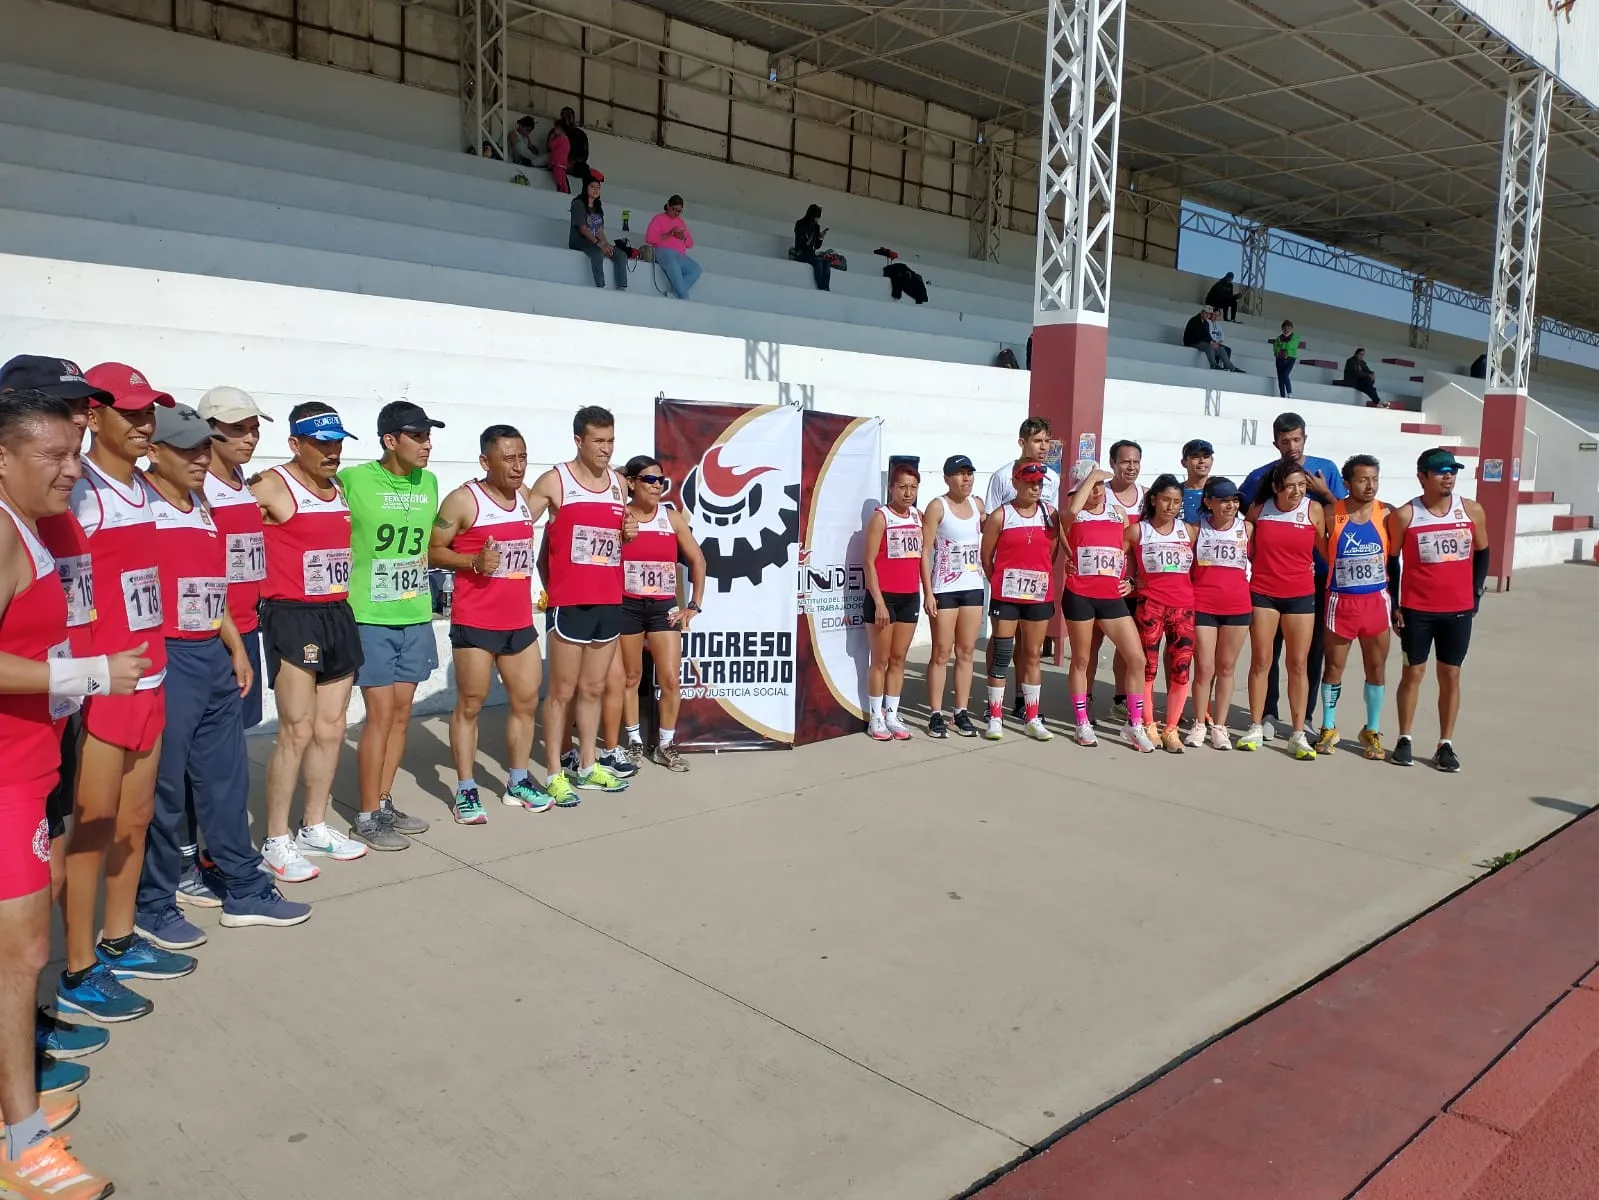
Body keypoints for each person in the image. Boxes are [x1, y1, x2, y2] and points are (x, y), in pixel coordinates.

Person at [0, 389, 132, 1200]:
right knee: (25, 957)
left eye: (76, 454)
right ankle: (21, 1142)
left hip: (28, 763)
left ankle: (11, 1098)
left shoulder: (34, 526)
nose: (71, 471)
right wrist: (79, 674)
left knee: (19, 952)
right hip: (3, 777)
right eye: (54, 456)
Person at [137, 403, 310, 949]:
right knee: (165, 790)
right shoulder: (138, 503)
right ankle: (154, 904)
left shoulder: (203, 502)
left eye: (202, 447)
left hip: (214, 648)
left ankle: (243, 888)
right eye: (186, 448)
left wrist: (235, 645)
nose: (199, 457)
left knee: (227, 780)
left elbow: (212, 584)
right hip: (165, 656)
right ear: (154, 451)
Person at [58, 362, 191, 1025]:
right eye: (132, 412)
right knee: (92, 827)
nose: (145, 424)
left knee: (134, 822)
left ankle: (119, 939)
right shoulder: (76, 489)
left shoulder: (144, 484)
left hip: (152, 674)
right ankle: (78, 969)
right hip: (100, 684)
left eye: (150, 413)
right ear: (93, 414)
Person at [251, 403, 368, 883]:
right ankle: (275, 838)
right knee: (295, 730)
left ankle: (313, 825)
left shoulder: (336, 487)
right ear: (295, 443)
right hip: (292, 616)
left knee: (331, 727)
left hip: (336, 611)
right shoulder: (272, 485)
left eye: (337, 442)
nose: (332, 451)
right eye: (321, 443)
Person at [430, 425, 550, 822]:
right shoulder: (464, 500)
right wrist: (472, 562)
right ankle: (465, 790)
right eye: (509, 458)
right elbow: (432, 551)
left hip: (518, 621)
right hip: (477, 621)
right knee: (470, 705)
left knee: (525, 701)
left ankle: (517, 781)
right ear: (486, 461)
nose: (518, 467)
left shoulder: (524, 498)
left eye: (522, 457)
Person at [339, 401, 442, 852]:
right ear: (390, 440)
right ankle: (365, 815)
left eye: (428, 436)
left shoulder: (431, 482)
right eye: (418, 436)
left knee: (402, 715)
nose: (427, 445)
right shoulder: (353, 480)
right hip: (369, 615)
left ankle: (383, 802)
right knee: (379, 716)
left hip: (415, 612)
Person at [182, 384, 271, 906]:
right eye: (238, 428)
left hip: (246, 628)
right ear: (208, 430)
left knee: (228, 756)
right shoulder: (197, 488)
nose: (250, 436)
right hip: (211, 634)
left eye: (255, 426)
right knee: (198, 759)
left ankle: (214, 852)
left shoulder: (241, 482)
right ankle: (187, 858)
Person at [528, 405, 635, 805]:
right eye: (599, 441)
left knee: (592, 688)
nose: (606, 449)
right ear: (579, 440)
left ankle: (588, 765)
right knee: (562, 691)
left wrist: (627, 533)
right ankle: (555, 772)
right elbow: (520, 524)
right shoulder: (555, 481)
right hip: (570, 602)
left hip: (609, 599)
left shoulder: (619, 485)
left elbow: (616, 540)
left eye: (611, 441)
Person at [1238, 412, 1347, 736]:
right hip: (1270, 578)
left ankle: (1306, 718)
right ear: (1276, 443)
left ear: (1305, 439)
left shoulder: (1325, 469)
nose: (1291, 446)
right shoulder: (1261, 476)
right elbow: (1247, 515)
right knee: (1266, 652)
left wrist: (1325, 493)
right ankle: (1268, 713)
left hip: (1313, 577)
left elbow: (1342, 516)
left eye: (1297, 439)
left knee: (1308, 655)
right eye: (1285, 441)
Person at [1386, 449, 1489, 772]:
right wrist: (1396, 604)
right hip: (1417, 610)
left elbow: (1483, 552)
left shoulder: (1471, 510)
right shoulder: (1406, 515)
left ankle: (1445, 743)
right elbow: (1392, 562)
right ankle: (1404, 738)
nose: (1448, 476)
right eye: (1440, 471)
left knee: (1451, 674)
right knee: (1413, 673)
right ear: (1422, 477)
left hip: (1457, 610)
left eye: (1452, 471)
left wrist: (1476, 593)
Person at [618, 456, 705, 769]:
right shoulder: (619, 515)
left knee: (670, 679)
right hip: (626, 606)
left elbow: (698, 560)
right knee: (631, 677)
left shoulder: (670, 517)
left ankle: (665, 745)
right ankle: (634, 741)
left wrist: (694, 604)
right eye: (648, 480)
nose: (656, 486)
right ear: (631, 482)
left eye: (661, 481)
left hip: (662, 608)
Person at [1060, 461, 1152, 751]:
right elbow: (1072, 512)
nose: (1097, 491)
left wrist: (1131, 580)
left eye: (1100, 485)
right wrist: (1096, 475)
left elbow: (1127, 547)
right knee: (1082, 659)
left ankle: (1134, 725)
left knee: (1136, 659)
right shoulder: (1072, 515)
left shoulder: (1118, 512)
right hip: (1080, 595)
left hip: (1111, 597)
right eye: (1090, 486)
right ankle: (1082, 722)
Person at [1237, 460, 1326, 760]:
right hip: (1263, 593)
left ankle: (1298, 733)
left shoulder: (1314, 510)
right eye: (1291, 486)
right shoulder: (1260, 510)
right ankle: (1255, 725)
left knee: (1298, 665)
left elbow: (1328, 549)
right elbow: (1244, 546)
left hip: (1301, 596)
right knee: (1262, 661)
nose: (1298, 492)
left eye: (1302, 485)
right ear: (1276, 487)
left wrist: (1333, 499)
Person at [984, 417, 1060, 721]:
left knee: (1031, 649)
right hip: (1007, 575)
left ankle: (1024, 703)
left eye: (1047, 442)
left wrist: (1040, 568)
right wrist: (1000, 577)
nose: (1043, 447)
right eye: (1037, 441)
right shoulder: (1002, 476)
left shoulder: (1051, 479)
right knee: (1002, 643)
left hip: (1036, 578)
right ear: (1022, 443)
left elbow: (1050, 538)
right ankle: (993, 708)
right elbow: (989, 530)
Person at [1315, 455, 1391, 760]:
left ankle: (1371, 730)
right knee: (1333, 668)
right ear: (1347, 483)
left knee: (1376, 668)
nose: (1370, 485)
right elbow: (1323, 552)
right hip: (1341, 602)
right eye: (1362, 479)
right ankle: (1328, 727)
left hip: (1376, 602)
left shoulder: (1386, 514)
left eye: (1374, 479)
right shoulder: (1332, 514)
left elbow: (1394, 560)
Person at [1124, 475, 1195, 753]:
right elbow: (1120, 562)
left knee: (1180, 669)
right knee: (1148, 668)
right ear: (1153, 499)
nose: (1171, 506)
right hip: (1150, 606)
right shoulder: (1136, 531)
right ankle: (1149, 723)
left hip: (1183, 608)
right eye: (1166, 499)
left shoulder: (1188, 532)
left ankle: (1171, 728)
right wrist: (1130, 582)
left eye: (1176, 502)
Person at [921, 454, 985, 739]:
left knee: (967, 652)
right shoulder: (937, 506)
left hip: (972, 586)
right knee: (941, 652)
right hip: (945, 588)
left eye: (969, 473)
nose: (966, 478)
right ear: (947, 478)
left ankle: (961, 711)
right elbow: (924, 552)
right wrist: (928, 592)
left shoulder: (977, 505)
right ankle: (936, 713)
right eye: (960, 474)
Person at [1185, 477, 1251, 750]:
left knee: (1226, 667)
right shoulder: (1196, 530)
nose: (1230, 505)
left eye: (1234, 500)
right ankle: (1199, 723)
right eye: (1223, 500)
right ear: (1208, 502)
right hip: (1203, 605)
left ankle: (1220, 727)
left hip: (1237, 606)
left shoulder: (1246, 528)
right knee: (1204, 668)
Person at [863, 462, 923, 740]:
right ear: (891, 488)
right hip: (883, 597)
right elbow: (868, 562)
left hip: (910, 596)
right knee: (881, 660)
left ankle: (892, 713)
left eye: (913, 487)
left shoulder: (918, 517)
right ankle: (875, 717)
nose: (908, 493)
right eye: (902, 487)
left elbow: (922, 557)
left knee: (899, 659)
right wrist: (878, 602)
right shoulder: (881, 517)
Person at [570, 179, 628, 290]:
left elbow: (599, 230)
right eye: (592, 186)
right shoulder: (578, 204)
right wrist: (599, 245)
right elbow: (583, 229)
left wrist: (605, 244)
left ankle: (621, 287)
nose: (596, 190)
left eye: (598, 187)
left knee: (621, 255)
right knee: (597, 253)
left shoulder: (598, 207)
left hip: (595, 240)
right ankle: (600, 286)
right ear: (585, 188)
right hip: (579, 240)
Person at [646, 196, 703, 300]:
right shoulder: (659, 218)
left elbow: (690, 244)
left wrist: (683, 238)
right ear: (668, 205)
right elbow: (649, 238)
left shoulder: (681, 222)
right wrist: (669, 234)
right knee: (674, 266)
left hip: (680, 254)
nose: (676, 213)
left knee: (696, 270)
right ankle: (684, 297)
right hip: (663, 252)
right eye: (674, 209)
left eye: (679, 211)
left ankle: (674, 294)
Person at [1183, 307, 1242, 372]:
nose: (1208, 315)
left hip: (1201, 342)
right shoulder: (1194, 320)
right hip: (1192, 342)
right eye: (1206, 313)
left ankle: (1230, 367)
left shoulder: (1206, 323)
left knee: (1220, 348)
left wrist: (1213, 342)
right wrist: (1210, 342)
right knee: (1209, 346)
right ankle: (1213, 364)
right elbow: (1197, 335)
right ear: (1202, 312)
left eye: (1209, 314)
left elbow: (1207, 336)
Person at [793, 203, 831, 291]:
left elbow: (817, 246)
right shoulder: (800, 224)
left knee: (826, 263)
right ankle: (821, 286)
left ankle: (826, 287)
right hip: (802, 253)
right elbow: (799, 243)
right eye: (817, 217)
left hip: (811, 254)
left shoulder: (816, 227)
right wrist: (807, 241)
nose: (817, 219)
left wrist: (821, 237)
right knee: (817, 262)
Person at [1179, 439, 1213, 525]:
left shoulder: (1220, 491)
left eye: (1206, 456)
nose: (1202, 461)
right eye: (1195, 456)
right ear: (1184, 463)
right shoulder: (1175, 492)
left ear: (1212, 460)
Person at [558, 106, 592, 190]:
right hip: (560, 162)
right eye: (564, 116)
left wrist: (574, 161)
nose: (566, 118)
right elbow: (550, 147)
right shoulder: (556, 131)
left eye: (569, 116)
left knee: (586, 171)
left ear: (573, 118)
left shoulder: (580, 134)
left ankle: (587, 196)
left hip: (576, 164)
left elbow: (585, 154)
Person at [1269, 321, 1302, 400]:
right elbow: (1275, 347)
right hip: (1280, 359)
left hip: (1290, 358)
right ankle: (1282, 395)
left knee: (1285, 374)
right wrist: (1277, 352)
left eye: (1288, 327)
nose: (1286, 329)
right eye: (1284, 327)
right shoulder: (1279, 338)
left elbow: (1292, 345)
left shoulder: (1295, 337)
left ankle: (1289, 393)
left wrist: (1283, 348)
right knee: (1280, 378)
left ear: (1291, 328)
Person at [546, 116, 572, 193]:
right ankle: (565, 191)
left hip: (557, 162)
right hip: (563, 163)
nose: (554, 130)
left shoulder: (560, 139)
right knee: (563, 179)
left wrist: (551, 138)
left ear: (560, 129)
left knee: (558, 179)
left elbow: (551, 145)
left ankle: (562, 191)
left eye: (556, 128)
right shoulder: (566, 140)